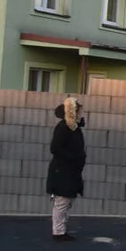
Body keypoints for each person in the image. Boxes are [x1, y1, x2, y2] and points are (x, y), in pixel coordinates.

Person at [46, 97, 86, 242]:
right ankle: (58, 232)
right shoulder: (64, 127)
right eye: (79, 110)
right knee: (62, 201)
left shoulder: (74, 128)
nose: (82, 113)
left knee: (67, 201)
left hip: (70, 171)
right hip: (63, 171)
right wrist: (74, 158)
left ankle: (61, 230)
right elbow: (55, 148)